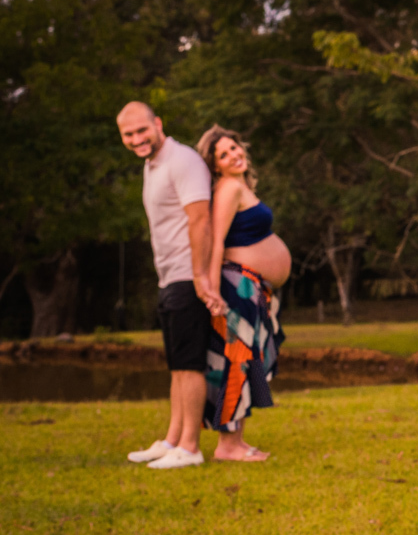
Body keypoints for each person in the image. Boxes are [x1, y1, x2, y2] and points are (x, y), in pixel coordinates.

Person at [117, 101, 220, 470]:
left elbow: (200, 221)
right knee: (177, 364)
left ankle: (190, 447)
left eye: (142, 130)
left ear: (158, 124)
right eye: (128, 135)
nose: (136, 139)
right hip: (169, 277)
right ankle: (172, 439)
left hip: (186, 276)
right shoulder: (153, 165)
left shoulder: (183, 160)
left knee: (190, 364)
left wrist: (200, 276)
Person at [195, 125, 291, 461]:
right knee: (234, 360)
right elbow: (217, 241)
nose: (234, 155)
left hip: (251, 287)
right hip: (236, 288)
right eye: (223, 154)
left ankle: (237, 441)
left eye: (234, 148)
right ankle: (227, 446)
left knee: (245, 360)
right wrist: (210, 290)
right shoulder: (227, 189)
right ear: (215, 165)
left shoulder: (237, 186)